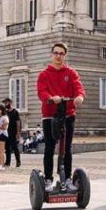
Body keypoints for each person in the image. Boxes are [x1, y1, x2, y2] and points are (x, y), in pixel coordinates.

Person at [36, 42, 86, 192]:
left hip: (68, 114)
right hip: (50, 115)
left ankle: (68, 179)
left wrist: (80, 97)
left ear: (65, 56)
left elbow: (78, 87)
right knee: (49, 147)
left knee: (67, 148)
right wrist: (50, 98)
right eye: (56, 53)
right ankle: (48, 179)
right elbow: (41, 92)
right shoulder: (44, 74)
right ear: (52, 55)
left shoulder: (71, 73)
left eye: (61, 54)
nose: (58, 56)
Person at [2, 97, 22, 168]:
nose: (5, 104)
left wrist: (18, 132)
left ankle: (18, 161)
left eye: (6, 102)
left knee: (15, 147)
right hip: (6, 132)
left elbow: (18, 122)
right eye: (4, 103)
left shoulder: (15, 111)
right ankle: (8, 162)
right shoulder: (6, 112)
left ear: (10, 102)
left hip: (13, 132)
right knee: (7, 148)